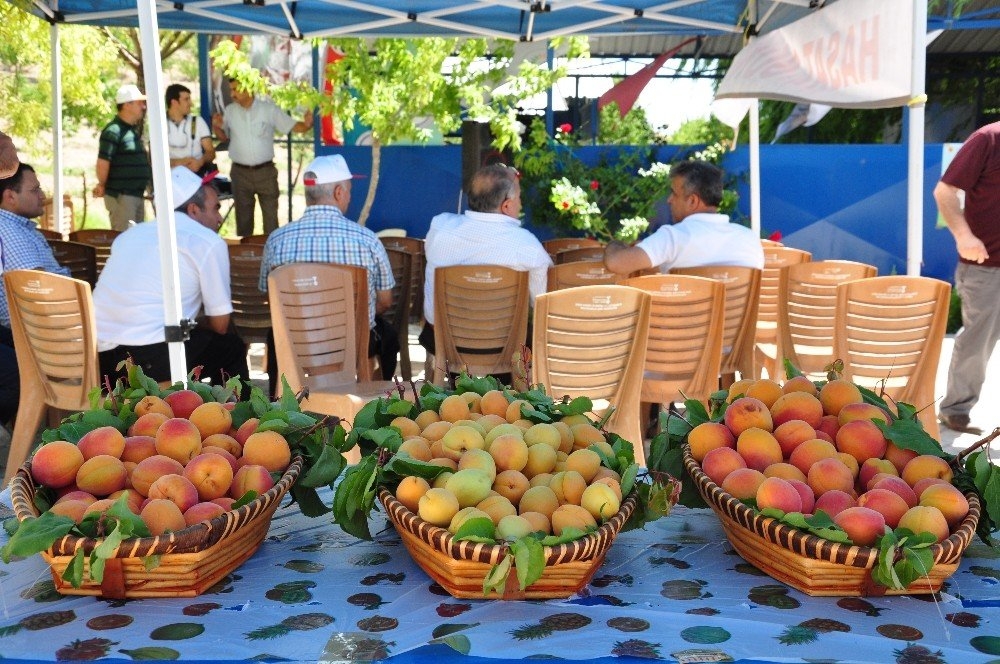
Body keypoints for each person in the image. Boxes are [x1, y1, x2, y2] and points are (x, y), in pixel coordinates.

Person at [94, 166, 249, 389]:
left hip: (104, 362)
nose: (219, 217)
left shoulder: (128, 236)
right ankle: (232, 420)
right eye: (216, 208)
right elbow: (220, 323)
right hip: (149, 362)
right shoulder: (206, 241)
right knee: (230, 347)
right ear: (194, 210)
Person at [259, 155, 398, 387]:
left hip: (294, 343)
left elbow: (269, 298)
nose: (350, 196)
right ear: (339, 193)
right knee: (389, 337)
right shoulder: (366, 240)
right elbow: (384, 301)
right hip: (353, 345)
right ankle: (374, 403)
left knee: (275, 336)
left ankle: (282, 408)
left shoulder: (277, 240)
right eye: (349, 191)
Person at [419, 163, 552, 358]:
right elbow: (542, 302)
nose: (521, 204)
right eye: (519, 198)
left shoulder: (440, 227)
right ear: (506, 206)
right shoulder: (526, 244)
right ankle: (511, 385)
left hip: (442, 342)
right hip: (505, 347)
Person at [934, 122, 1000, 435]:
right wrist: (963, 236)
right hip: (988, 266)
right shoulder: (989, 139)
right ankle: (955, 410)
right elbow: (944, 191)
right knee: (978, 342)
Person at [0, 163, 71, 427]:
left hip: (45, 327)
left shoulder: (22, 228)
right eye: (35, 189)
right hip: (42, 332)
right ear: (10, 196)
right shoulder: (8, 230)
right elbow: (41, 290)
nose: (43, 195)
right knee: (126, 344)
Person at [602, 160, 764, 275]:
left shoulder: (674, 237)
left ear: (692, 201)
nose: (669, 200)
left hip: (685, 324)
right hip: (736, 324)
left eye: (674, 193)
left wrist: (615, 244)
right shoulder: (749, 239)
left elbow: (615, 263)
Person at [212, 79, 313, 237]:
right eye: (230, 90)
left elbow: (293, 126)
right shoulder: (230, 111)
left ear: (248, 89)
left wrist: (307, 125)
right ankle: (246, 259)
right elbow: (223, 137)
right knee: (243, 222)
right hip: (240, 173)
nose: (232, 94)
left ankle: (270, 256)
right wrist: (217, 127)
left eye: (235, 90)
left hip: (265, 172)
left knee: (271, 221)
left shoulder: (268, 109)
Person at [93, 84, 152, 232]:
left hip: (134, 195)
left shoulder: (130, 130)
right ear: (127, 105)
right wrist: (102, 184)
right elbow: (103, 162)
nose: (143, 107)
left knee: (136, 239)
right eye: (139, 103)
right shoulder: (113, 131)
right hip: (122, 196)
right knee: (126, 239)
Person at [166, 84, 217, 175]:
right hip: (170, 180)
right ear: (174, 102)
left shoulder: (197, 122)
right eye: (186, 99)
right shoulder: (160, 124)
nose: (191, 104)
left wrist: (200, 162)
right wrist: (179, 162)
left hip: (195, 176)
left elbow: (211, 152)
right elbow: (153, 158)